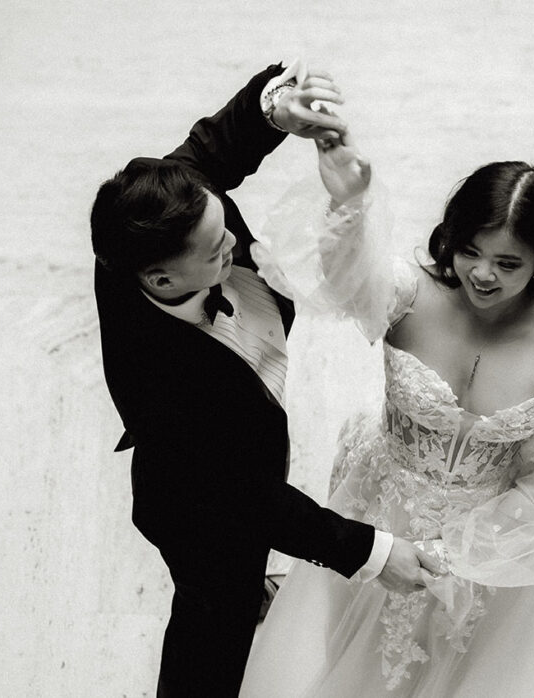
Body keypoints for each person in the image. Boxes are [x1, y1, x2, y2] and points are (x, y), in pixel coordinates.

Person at [89, 61, 441, 697]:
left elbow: (209, 150)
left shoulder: (164, 209)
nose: (237, 245)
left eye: (225, 222)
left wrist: (276, 105)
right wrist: (374, 553)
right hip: (197, 506)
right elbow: (251, 500)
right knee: (213, 620)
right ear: (161, 282)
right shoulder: (165, 385)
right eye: (216, 249)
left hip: (234, 447)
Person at [239, 132, 534, 695]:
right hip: (381, 508)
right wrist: (347, 203)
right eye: (470, 250)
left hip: (494, 545)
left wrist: (458, 554)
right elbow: (342, 280)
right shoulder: (409, 293)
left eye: (507, 262)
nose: (482, 274)